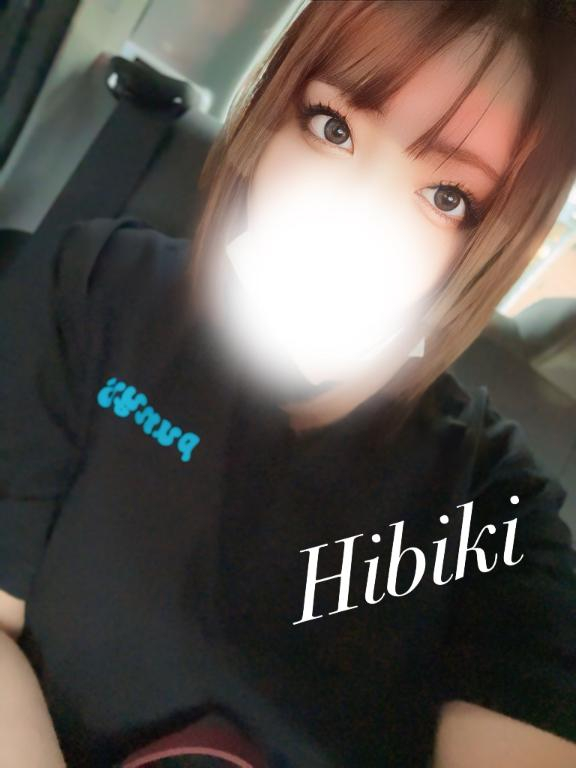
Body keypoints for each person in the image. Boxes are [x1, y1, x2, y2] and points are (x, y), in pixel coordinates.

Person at [1, 1, 575, 766]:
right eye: (332, 128)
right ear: (272, 114)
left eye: (447, 197)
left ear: (490, 247)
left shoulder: (495, 512)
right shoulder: (97, 288)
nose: (349, 219)